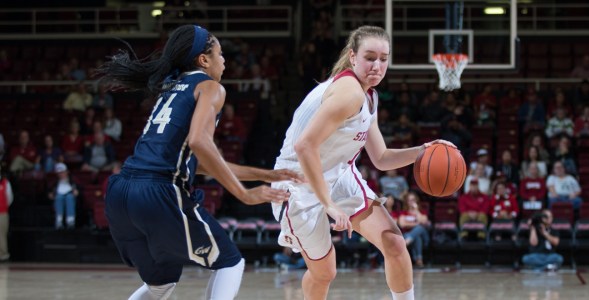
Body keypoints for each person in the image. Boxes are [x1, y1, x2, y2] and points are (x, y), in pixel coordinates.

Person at [97, 25, 299, 300]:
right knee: (230, 263)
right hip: (159, 191)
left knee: (161, 286)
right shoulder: (210, 87)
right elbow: (199, 142)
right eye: (220, 53)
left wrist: (268, 174)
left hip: (122, 193)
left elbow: (198, 162)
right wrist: (244, 194)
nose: (224, 60)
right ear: (203, 60)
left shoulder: (170, 88)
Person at [271, 25, 454, 300]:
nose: (377, 65)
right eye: (370, 57)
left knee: (393, 242)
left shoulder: (369, 95)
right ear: (353, 57)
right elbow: (304, 146)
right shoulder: (349, 92)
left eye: (383, 58)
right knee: (324, 273)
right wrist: (329, 205)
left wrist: (424, 150)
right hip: (298, 181)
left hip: (338, 173)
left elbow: (380, 158)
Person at [398, 192, 430, 268]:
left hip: (423, 236)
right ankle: (419, 260)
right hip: (407, 235)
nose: (411, 202)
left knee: (420, 228)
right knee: (417, 236)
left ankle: (407, 241)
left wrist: (416, 210)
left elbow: (424, 222)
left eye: (413, 200)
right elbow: (402, 224)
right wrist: (417, 223)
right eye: (409, 200)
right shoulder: (404, 212)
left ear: (416, 201)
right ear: (406, 202)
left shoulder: (421, 212)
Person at [48, 163, 79, 229]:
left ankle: (70, 220)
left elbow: (78, 190)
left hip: (70, 197)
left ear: (67, 172)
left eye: (62, 172)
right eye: (59, 173)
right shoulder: (55, 182)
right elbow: (50, 192)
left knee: (69, 197)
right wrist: (51, 195)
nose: (61, 174)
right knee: (59, 197)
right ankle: (59, 220)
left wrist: (76, 192)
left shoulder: (72, 181)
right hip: (58, 196)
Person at [0, 167, 13, 261]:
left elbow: (9, 198)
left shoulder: (5, 182)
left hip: (2, 212)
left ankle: (3, 255)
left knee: (1, 234)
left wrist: (3, 206)